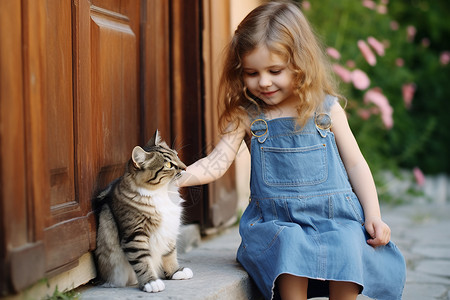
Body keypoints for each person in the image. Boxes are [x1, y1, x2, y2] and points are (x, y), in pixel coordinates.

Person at [176, 1, 406, 299]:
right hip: (278, 223)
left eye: (275, 70)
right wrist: (176, 176)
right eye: (251, 73)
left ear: (300, 63)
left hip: (334, 219)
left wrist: (373, 214)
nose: (264, 82)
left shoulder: (326, 110)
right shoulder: (246, 115)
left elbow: (356, 164)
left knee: (348, 242)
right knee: (290, 244)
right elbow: (217, 162)